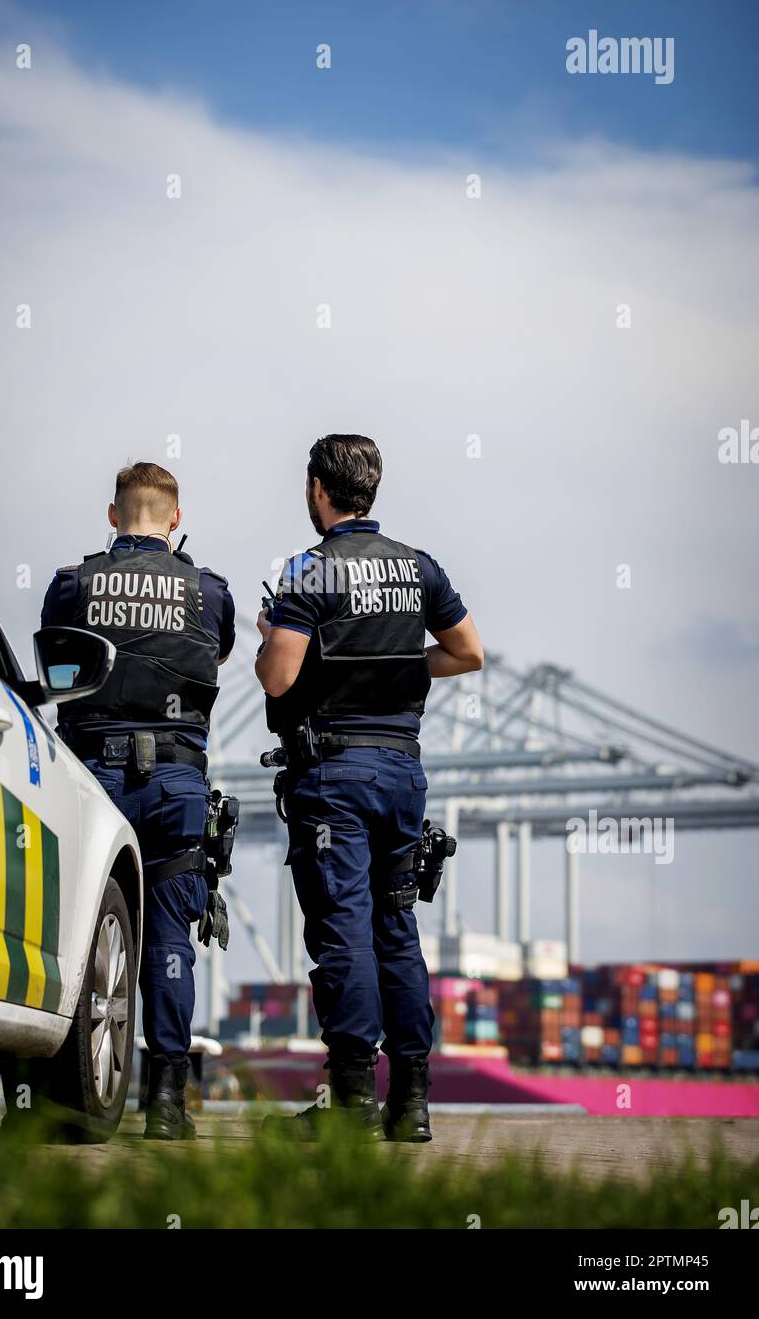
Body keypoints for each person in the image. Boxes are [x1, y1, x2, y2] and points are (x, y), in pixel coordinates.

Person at [255, 434, 483, 1141]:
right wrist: (398, 665)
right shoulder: (418, 569)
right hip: (401, 773)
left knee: (342, 933)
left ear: (319, 489)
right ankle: (410, 1104)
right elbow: (467, 652)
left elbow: (277, 678)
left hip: (335, 775)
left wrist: (271, 630)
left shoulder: (308, 571)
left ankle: (350, 1104)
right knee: (396, 928)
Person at [41, 461, 235, 1140]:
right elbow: (217, 654)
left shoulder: (72, 585)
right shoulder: (209, 591)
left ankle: (67, 1096)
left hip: (94, 779)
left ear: (113, 514)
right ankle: (166, 1105)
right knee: (169, 941)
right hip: (176, 782)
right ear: (175, 519)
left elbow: (55, 657)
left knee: (85, 931)